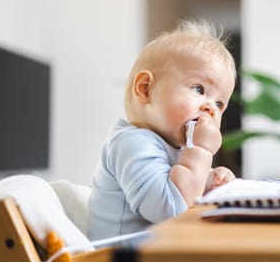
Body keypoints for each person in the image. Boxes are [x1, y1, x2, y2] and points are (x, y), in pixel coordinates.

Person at [87, 19, 237, 241]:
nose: (210, 109)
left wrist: (210, 182)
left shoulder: (174, 147)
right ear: (146, 89)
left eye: (219, 104)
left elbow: (188, 192)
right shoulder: (131, 143)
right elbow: (173, 210)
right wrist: (201, 151)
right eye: (199, 89)